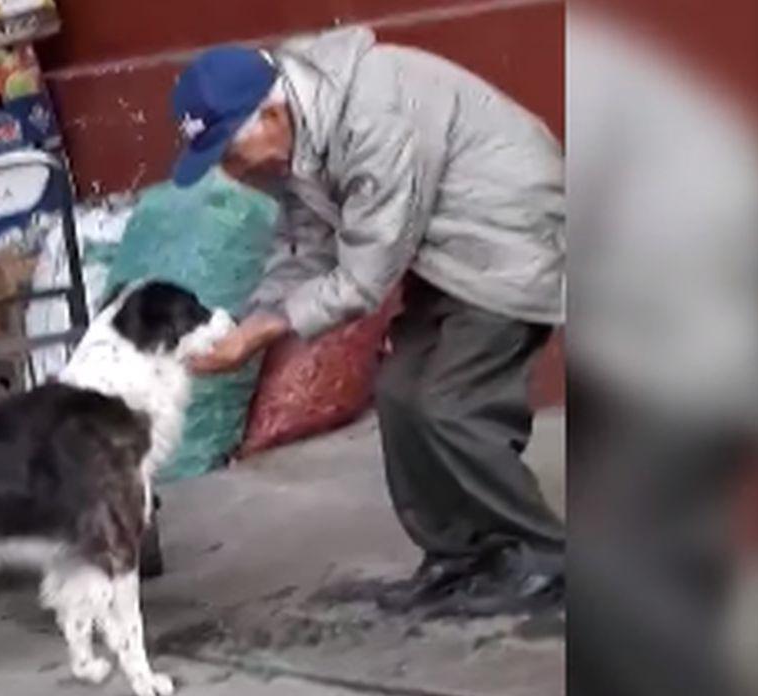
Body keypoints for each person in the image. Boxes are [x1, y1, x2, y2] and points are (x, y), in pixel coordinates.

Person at [172, 27, 566, 616]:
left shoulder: (372, 119)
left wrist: (263, 333)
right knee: (401, 391)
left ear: (274, 114)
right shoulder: (296, 140)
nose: (230, 172)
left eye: (229, 152)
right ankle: (459, 557)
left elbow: (363, 277)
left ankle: (545, 556)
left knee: (450, 403)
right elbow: (304, 247)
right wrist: (249, 317)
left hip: (510, 238)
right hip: (445, 250)